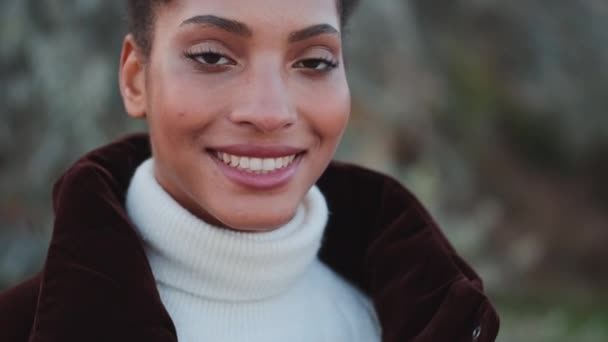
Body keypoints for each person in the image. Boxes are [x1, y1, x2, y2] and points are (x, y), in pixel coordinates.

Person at [0, 0, 499, 341]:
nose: (269, 111)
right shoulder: (23, 327)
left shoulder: (420, 317)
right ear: (135, 79)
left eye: (314, 62)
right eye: (213, 56)